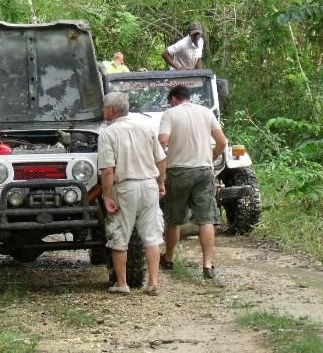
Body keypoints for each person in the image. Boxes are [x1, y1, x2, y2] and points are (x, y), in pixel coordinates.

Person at [97, 92, 166, 295]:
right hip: (149, 185)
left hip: (125, 187)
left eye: (104, 108)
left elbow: (108, 170)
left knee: (119, 235)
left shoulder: (108, 133)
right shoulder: (146, 128)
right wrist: (161, 183)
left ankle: (122, 283)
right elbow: (161, 160)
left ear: (111, 111)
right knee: (151, 236)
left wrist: (107, 196)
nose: (102, 111)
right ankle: (153, 282)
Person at [158, 84, 227, 278]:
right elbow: (222, 142)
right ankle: (207, 265)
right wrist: (213, 155)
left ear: (174, 99)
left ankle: (169, 258)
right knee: (206, 219)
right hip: (204, 170)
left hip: (178, 171)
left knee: (174, 219)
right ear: (187, 97)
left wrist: (161, 158)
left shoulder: (170, 114)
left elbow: (162, 140)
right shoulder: (206, 112)